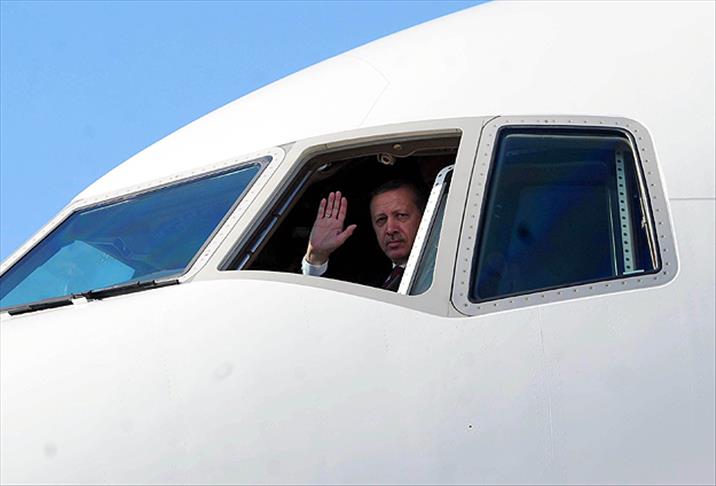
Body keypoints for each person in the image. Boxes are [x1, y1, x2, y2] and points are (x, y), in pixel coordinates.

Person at [301, 180, 425, 291]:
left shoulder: (434, 276)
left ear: (424, 217)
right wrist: (317, 255)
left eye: (401, 215)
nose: (390, 229)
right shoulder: (368, 277)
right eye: (381, 219)